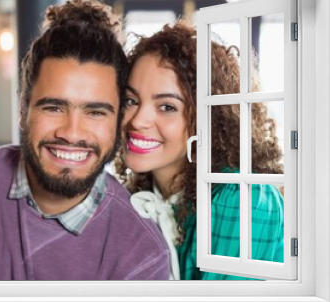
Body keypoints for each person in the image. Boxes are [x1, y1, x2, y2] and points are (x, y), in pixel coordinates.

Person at [0, 0, 170, 280]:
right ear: (24, 108)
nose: (72, 132)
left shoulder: (142, 253)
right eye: (54, 107)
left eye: (95, 112)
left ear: (118, 120)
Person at [115, 20, 284, 280]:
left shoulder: (241, 197)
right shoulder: (139, 198)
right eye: (131, 100)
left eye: (167, 107)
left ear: (209, 120)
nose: (137, 120)